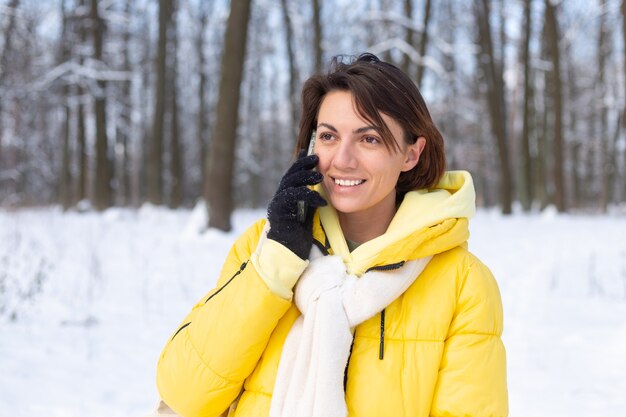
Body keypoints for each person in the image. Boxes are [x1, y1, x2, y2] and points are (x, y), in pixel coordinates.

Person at [155, 53, 508, 417]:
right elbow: (184, 395)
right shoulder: (262, 245)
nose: (342, 159)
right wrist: (277, 261)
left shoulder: (463, 283)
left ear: (411, 154)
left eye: (369, 139)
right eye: (328, 136)